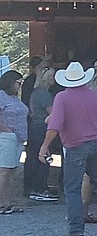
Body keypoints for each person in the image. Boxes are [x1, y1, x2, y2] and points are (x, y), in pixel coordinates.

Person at [37, 62, 97, 236]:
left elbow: (55, 125)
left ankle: (76, 231)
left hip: (75, 146)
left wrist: (44, 146)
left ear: (67, 80)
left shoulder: (62, 98)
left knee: (72, 188)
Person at [25, 66, 57, 201]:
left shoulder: (36, 92)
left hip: (35, 127)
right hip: (42, 127)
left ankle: (35, 187)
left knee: (34, 157)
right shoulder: (44, 94)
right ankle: (40, 189)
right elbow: (53, 113)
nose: (54, 79)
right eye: (52, 76)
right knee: (43, 157)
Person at [0, 70, 29, 214]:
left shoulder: (15, 98)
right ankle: (1, 203)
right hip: (7, 137)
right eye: (18, 82)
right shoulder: (1, 96)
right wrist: (6, 130)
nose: (20, 85)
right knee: (4, 171)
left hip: (18, 139)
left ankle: (7, 202)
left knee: (11, 171)